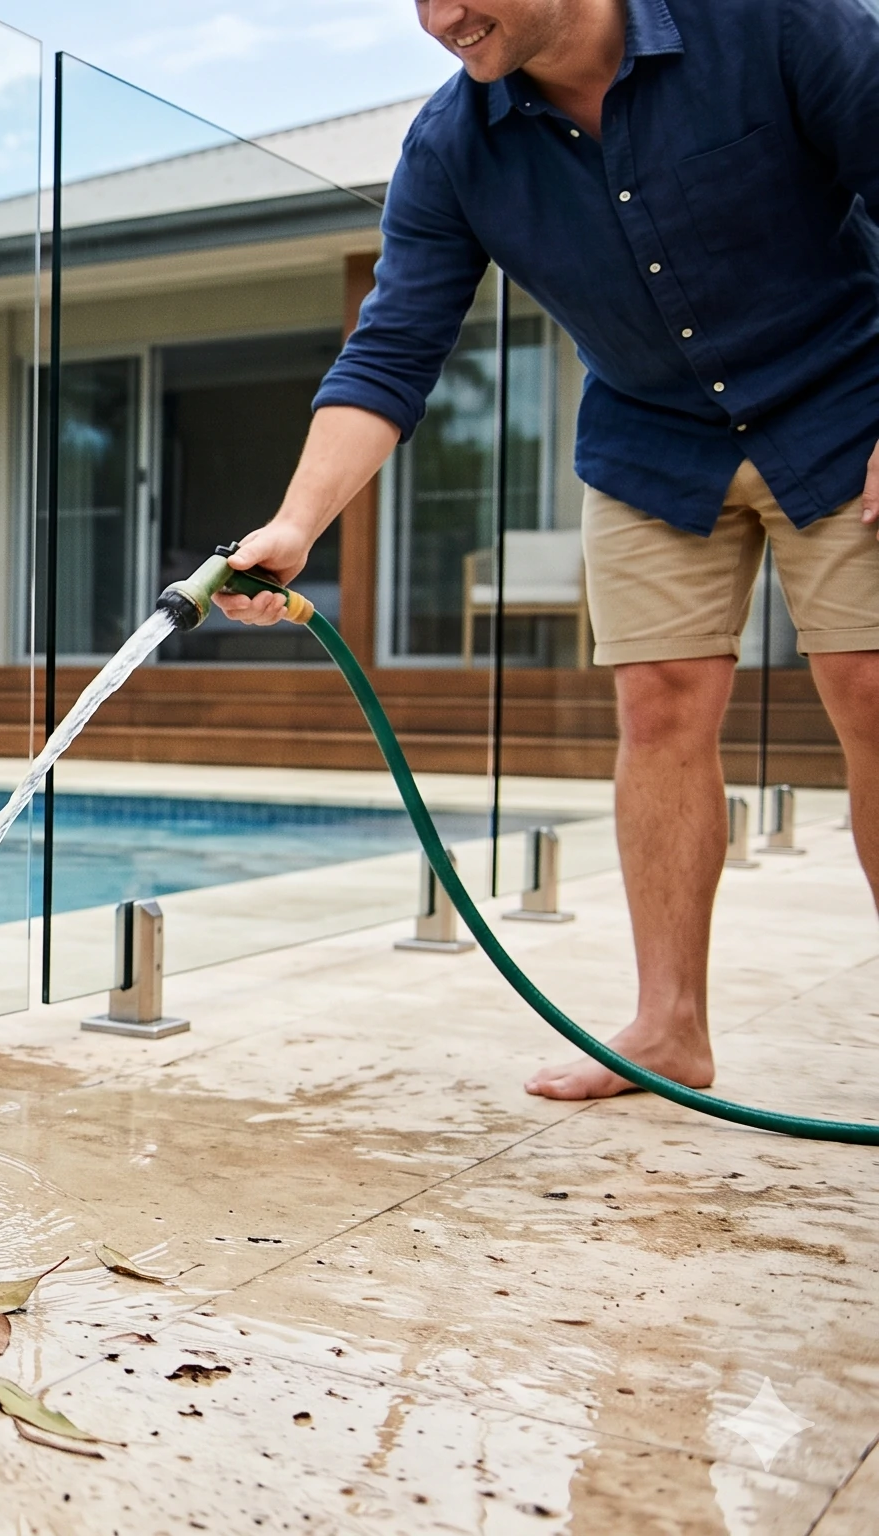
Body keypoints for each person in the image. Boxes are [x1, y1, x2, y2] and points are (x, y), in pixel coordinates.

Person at [216, 0, 879, 1100]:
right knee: (657, 704)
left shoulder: (772, 24)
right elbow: (391, 348)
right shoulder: (451, 147)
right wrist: (295, 525)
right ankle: (667, 1029)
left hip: (846, 400)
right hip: (651, 440)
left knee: (866, 685)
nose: (439, 18)